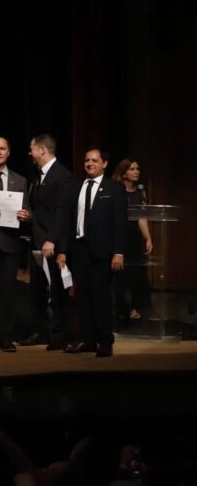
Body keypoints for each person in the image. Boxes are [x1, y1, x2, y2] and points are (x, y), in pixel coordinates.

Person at [58, 147, 126, 357]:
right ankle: (88, 340)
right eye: (87, 160)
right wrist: (63, 251)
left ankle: (105, 341)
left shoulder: (114, 188)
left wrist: (119, 252)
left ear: (104, 163)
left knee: (101, 298)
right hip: (79, 250)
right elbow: (67, 222)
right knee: (83, 298)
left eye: (95, 160)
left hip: (103, 252)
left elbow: (120, 223)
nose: (90, 164)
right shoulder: (76, 187)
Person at [23, 134, 73, 349]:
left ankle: (59, 336)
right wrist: (28, 216)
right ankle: (41, 331)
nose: (29, 153)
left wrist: (52, 239)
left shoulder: (62, 175)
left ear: (42, 150)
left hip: (52, 244)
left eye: (32, 149)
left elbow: (62, 213)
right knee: (37, 289)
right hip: (36, 241)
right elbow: (41, 210)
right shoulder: (37, 176)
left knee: (58, 290)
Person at [0, 136, 29, 351]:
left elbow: (29, 210)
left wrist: (26, 215)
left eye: (2, 148)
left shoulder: (20, 180)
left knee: (7, 291)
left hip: (9, 243)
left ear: (9, 152)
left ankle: (4, 335)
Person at [110, 158, 152, 320]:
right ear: (124, 173)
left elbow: (142, 218)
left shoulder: (140, 192)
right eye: (132, 169)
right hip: (119, 237)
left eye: (138, 169)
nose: (136, 172)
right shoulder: (117, 190)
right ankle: (121, 310)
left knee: (137, 276)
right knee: (120, 276)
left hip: (134, 239)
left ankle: (134, 308)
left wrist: (148, 238)